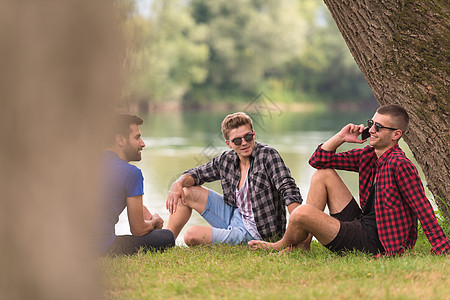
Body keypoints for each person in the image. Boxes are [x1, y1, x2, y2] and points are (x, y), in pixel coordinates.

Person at [249, 105, 450, 256]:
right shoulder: (369, 155)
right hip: (363, 224)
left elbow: (421, 206)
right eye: (371, 124)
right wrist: (341, 137)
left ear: (396, 134)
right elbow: (318, 161)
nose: (371, 130)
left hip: (378, 242)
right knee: (323, 174)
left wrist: (441, 246)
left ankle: (282, 244)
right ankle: (303, 245)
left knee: (301, 213)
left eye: (379, 127)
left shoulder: (400, 164)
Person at [166, 112, 302, 246]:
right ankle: (165, 243)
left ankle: (230, 238)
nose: (244, 143)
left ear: (254, 134)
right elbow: (197, 174)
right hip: (234, 215)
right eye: (237, 140)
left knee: (191, 235)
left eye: (248, 137)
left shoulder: (268, 156)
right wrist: (177, 183)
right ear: (228, 143)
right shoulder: (227, 159)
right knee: (185, 191)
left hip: (256, 232)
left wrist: (297, 236)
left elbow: (289, 190)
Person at [98, 114, 175, 256]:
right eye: (137, 137)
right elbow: (138, 229)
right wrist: (154, 221)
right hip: (101, 249)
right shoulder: (131, 173)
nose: (143, 143)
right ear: (120, 140)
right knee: (166, 237)